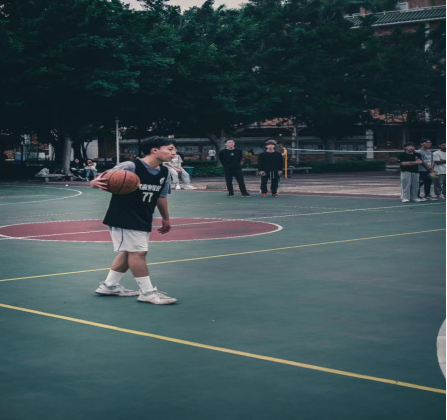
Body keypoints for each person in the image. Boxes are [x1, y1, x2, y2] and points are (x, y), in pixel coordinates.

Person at [90, 137, 178, 305]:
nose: (174, 152)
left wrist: (166, 218)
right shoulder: (130, 167)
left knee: (129, 252)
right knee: (138, 253)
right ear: (154, 150)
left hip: (144, 216)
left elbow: (161, 197)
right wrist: (94, 182)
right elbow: (98, 181)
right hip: (124, 216)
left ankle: (109, 286)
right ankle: (147, 293)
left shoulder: (165, 172)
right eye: (170, 149)